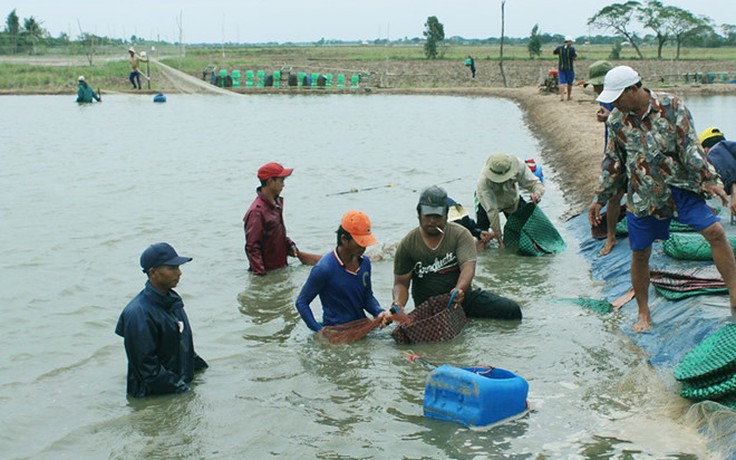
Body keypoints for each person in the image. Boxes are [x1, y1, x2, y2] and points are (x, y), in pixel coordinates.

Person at [588, 65, 736, 332]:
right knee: (640, 252)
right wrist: (600, 197)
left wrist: (710, 180)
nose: (615, 104)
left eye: (618, 97)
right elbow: (613, 162)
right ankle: (643, 313)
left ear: (634, 90)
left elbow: (690, 147)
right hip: (643, 194)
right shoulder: (616, 120)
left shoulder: (672, 106)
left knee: (715, 232)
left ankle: (735, 294)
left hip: (680, 187)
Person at [391, 185, 522, 320]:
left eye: (437, 216)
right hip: (428, 309)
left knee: (512, 310)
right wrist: (398, 303)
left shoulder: (460, 234)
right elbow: (401, 283)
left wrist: (460, 289)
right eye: (428, 215)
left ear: (446, 214)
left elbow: (468, 267)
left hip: (463, 300)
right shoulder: (408, 244)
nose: (432, 221)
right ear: (419, 215)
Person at [115, 243, 208, 397]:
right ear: (153, 272)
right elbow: (148, 370)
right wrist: (183, 390)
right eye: (172, 268)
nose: (179, 273)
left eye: (178, 267)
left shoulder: (173, 303)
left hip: (178, 386)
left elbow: (184, 348)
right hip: (153, 396)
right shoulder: (138, 314)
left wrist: (204, 370)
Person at [295, 210, 390, 332]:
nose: (364, 247)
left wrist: (379, 312)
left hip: (361, 327)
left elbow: (367, 297)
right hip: (337, 331)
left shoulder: (365, 263)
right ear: (344, 239)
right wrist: (319, 331)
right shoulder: (324, 269)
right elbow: (302, 302)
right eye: (360, 243)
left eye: (365, 242)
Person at [243, 162, 317, 275]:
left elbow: (275, 233)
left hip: (280, 267)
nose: (283, 185)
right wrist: (261, 276)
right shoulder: (257, 212)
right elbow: (252, 248)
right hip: (268, 272)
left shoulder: (276, 204)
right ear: (270, 182)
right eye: (281, 180)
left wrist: (289, 244)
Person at [585, 60, 625, 256]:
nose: (596, 88)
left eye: (598, 85)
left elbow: (626, 121)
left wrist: (609, 117)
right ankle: (611, 237)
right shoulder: (604, 96)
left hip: (630, 148)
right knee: (614, 195)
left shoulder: (622, 94)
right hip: (613, 146)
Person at [476, 153, 545, 249]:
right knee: (482, 238)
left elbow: (535, 184)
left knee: (527, 230)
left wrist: (537, 194)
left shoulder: (519, 166)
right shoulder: (484, 182)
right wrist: (499, 239)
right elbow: (492, 210)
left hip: (512, 199)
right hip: (485, 202)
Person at [700, 127, 736, 217]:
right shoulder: (729, 150)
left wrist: (734, 195)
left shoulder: (714, 150)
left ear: (705, 150)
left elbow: (729, 171)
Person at [553, 36, 577, 102]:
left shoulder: (559, 48)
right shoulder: (572, 49)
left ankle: (562, 96)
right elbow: (575, 58)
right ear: (569, 42)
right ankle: (568, 97)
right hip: (569, 68)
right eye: (571, 42)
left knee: (562, 82)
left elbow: (554, 52)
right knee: (569, 83)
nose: (571, 43)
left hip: (561, 68)